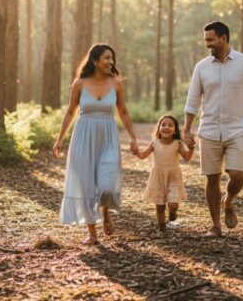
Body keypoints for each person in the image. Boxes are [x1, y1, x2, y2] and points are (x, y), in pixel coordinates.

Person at [183, 21, 243, 238]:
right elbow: (193, 100)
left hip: (236, 129)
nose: (207, 44)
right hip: (209, 129)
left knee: (237, 175)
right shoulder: (201, 67)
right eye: (205, 40)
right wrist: (187, 130)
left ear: (224, 37)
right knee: (212, 179)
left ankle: (228, 201)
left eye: (210, 39)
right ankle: (215, 225)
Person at [52, 44, 139, 245]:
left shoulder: (116, 84)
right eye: (106, 58)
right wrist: (59, 139)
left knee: (107, 186)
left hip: (108, 136)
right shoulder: (79, 84)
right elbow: (70, 111)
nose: (111, 62)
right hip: (83, 136)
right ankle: (92, 232)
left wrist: (133, 137)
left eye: (112, 58)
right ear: (94, 61)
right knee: (86, 185)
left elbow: (124, 112)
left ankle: (105, 213)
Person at [130, 115, 195, 233]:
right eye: (163, 124)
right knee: (159, 205)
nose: (166, 127)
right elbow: (143, 155)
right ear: (158, 128)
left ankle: (172, 211)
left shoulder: (177, 143)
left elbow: (187, 157)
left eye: (170, 125)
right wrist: (136, 152)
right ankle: (162, 227)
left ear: (175, 130)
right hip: (158, 177)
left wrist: (191, 148)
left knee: (173, 204)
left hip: (173, 177)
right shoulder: (154, 143)